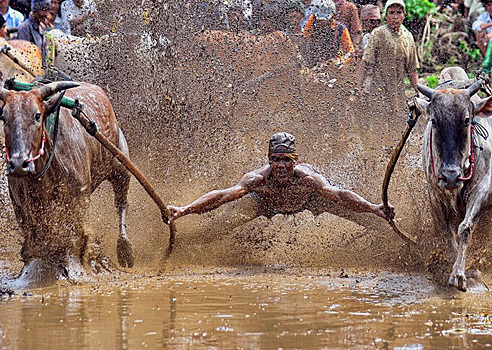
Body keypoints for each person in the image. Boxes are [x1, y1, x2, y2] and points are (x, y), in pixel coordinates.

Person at [167, 132, 394, 224]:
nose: (281, 166)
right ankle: (192, 243)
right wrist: (184, 209)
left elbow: (339, 194)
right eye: (276, 160)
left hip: (308, 201)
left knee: (361, 215)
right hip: (265, 204)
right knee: (224, 225)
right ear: (269, 160)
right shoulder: (257, 180)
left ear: (295, 161)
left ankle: (383, 226)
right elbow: (224, 195)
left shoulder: (308, 179)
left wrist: (374, 207)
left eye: (286, 160)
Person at [357, 0, 419, 117]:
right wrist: (358, 88)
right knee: (378, 128)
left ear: (404, 15)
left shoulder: (408, 37)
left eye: (399, 12)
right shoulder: (378, 34)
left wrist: (418, 91)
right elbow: (365, 63)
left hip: (398, 93)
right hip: (378, 92)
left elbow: (412, 70)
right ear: (386, 16)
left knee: (398, 127)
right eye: (391, 13)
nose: (395, 17)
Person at [301, 0, 355, 67]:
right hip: (312, 60)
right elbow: (303, 40)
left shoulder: (341, 29)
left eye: (325, 20)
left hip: (331, 64)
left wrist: (342, 61)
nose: (322, 22)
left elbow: (351, 52)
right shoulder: (312, 21)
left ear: (334, 16)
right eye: (320, 20)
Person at [17, 0, 51, 65]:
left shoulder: (42, 27)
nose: (46, 14)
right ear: (35, 11)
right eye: (43, 10)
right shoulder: (25, 28)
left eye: (47, 10)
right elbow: (23, 54)